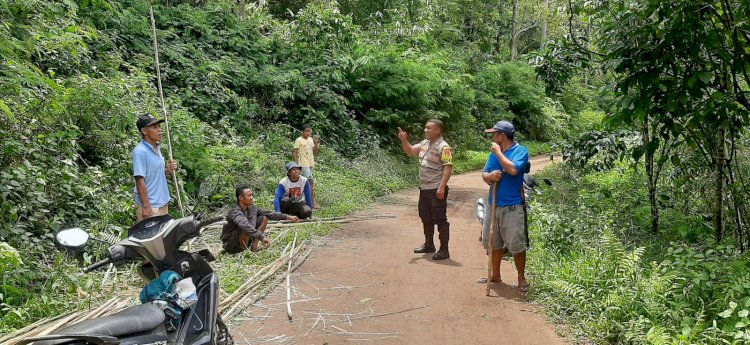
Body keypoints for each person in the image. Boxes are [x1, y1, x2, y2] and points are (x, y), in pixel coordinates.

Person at [480, 120, 530, 292]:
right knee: (492, 242)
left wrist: (499, 154)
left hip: (512, 207)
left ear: (502, 135)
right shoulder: (494, 153)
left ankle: (521, 279)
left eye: (494, 134)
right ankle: (495, 275)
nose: (492, 137)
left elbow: (513, 170)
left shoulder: (520, 151)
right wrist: (489, 176)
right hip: (493, 205)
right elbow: (484, 174)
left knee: (516, 244)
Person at [397, 119, 453, 260]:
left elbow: (448, 167)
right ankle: (429, 244)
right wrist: (404, 140)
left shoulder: (444, 147)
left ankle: (444, 250)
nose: (425, 130)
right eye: (425, 128)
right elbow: (410, 150)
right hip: (424, 189)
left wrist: (441, 187)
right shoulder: (424, 143)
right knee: (425, 218)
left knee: (440, 219)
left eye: (429, 128)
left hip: (436, 189)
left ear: (438, 130)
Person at [221, 186, 299, 254]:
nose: (252, 197)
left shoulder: (252, 208)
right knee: (245, 226)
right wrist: (261, 237)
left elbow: (269, 214)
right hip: (231, 244)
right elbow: (244, 225)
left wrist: (288, 217)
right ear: (240, 198)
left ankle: (254, 247)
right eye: (249, 195)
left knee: (264, 218)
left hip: (245, 239)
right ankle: (244, 252)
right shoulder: (235, 211)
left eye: (252, 195)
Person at [133, 114, 177, 222]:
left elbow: (155, 175)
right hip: (151, 207)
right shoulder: (140, 152)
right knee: (152, 239)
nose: (160, 130)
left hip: (162, 203)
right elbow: (139, 180)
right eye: (154, 127)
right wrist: (146, 207)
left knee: (163, 238)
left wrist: (168, 170)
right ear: (144, 131)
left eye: (159, 127)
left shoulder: (156, 147)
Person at [293, 125, 320, 208]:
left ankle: (298, 201)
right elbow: (295, 152)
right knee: (310, 181)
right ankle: (312, 202)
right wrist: (296, 164)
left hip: (310, 163)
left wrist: (315, 143)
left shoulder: (311, 139)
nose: (308, 133)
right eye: (306, 131)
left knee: (302, 182)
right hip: (303, 164)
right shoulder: (298, 140)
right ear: (303, 131)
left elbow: (315, 152)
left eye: (310, 131)